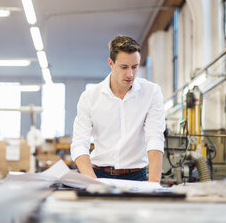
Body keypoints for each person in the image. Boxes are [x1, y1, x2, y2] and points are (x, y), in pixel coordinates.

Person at [70, 35, 165, 182]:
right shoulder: (89, 97)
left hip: (136, 176)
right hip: (98, 174)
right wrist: (92, 182)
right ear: (111, 63)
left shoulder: (151, 92)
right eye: (124, 67)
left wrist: (153, 184)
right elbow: (79, 144)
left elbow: (155, 138)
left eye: (135, 67)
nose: (130, 74)